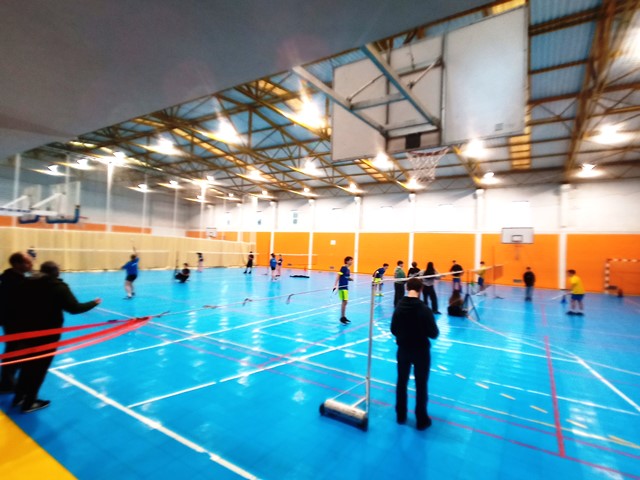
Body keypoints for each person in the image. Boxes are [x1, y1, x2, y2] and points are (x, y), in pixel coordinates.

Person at [13, 261, 101, 413]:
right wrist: (93, 303)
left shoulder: (27, 282)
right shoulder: (58, 287)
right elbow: (74, 308)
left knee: (27, 366)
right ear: (56, 272)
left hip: (26, 331)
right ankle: (29, 402)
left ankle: (19, 397)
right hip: (47, 335)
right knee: (38, 369)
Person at [390, 277, 439, 430]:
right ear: (421, 290)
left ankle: (400, 415)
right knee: (421, 384)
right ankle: (421, 419)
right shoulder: (424, 310)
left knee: (401, 382)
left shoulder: (399, 307)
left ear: (407, 288)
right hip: (421, 351)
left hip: (403, 350)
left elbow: (393, 329)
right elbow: (433, 333)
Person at [0, 252, 34, 394]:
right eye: (27, 262)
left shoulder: (8, 277)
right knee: (15, 352)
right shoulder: (14, 282)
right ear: (16, 264)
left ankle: (7, 381)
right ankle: (7, 383)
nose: (31, 265)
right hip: (15, 323)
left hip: (13, 322)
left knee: (14, 351)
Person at [333, 256, 354, 325]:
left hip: (346, 287)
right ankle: (342, 317)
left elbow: (346, 277)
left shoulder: (348, 269)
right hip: (342, 287)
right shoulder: (343, 268)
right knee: (344, 302)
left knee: (345, 302)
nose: (352, 261)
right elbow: (338, 276)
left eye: (352, 260)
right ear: (347, 261)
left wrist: (350, 279)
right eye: (350, 260)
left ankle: (343, 317)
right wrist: (335, 285)